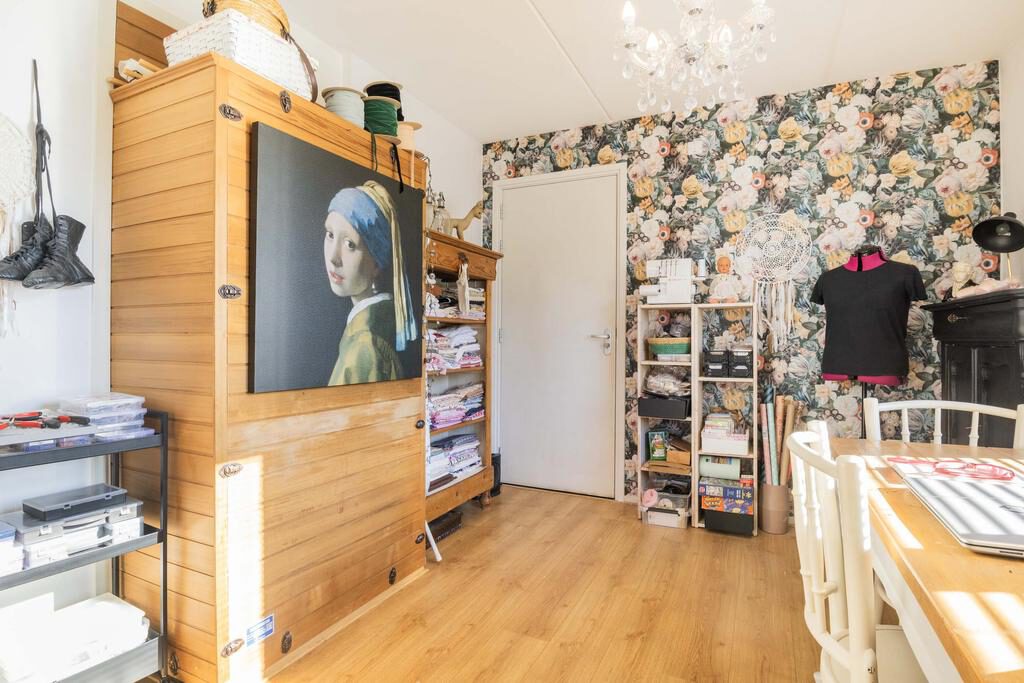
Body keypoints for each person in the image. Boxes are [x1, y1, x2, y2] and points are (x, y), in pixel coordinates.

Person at [323, 180, 417, 385]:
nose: (333, 257)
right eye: (330, 235)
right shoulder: (375, 326)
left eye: (350, 244)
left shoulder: (365, 343)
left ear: (377, 264)